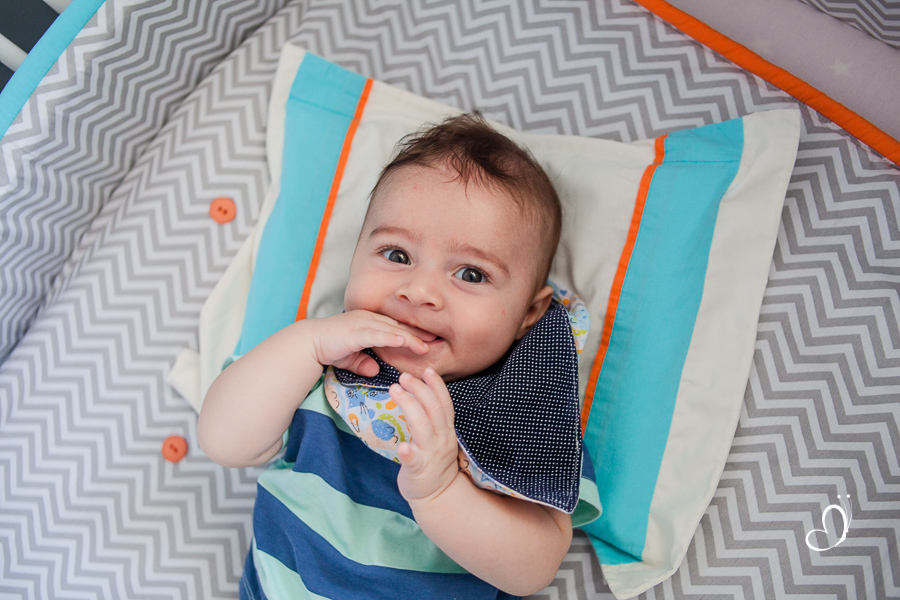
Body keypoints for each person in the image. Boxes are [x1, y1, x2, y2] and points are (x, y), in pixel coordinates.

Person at [198, 113, 584, 599]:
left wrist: (442, 491)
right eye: (397, 255)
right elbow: (224, 442)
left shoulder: (526, 410)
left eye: (470, 274)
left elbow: (534, 570)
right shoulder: (321, 367)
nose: (419, 291)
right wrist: (308, 345)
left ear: (529, 314)